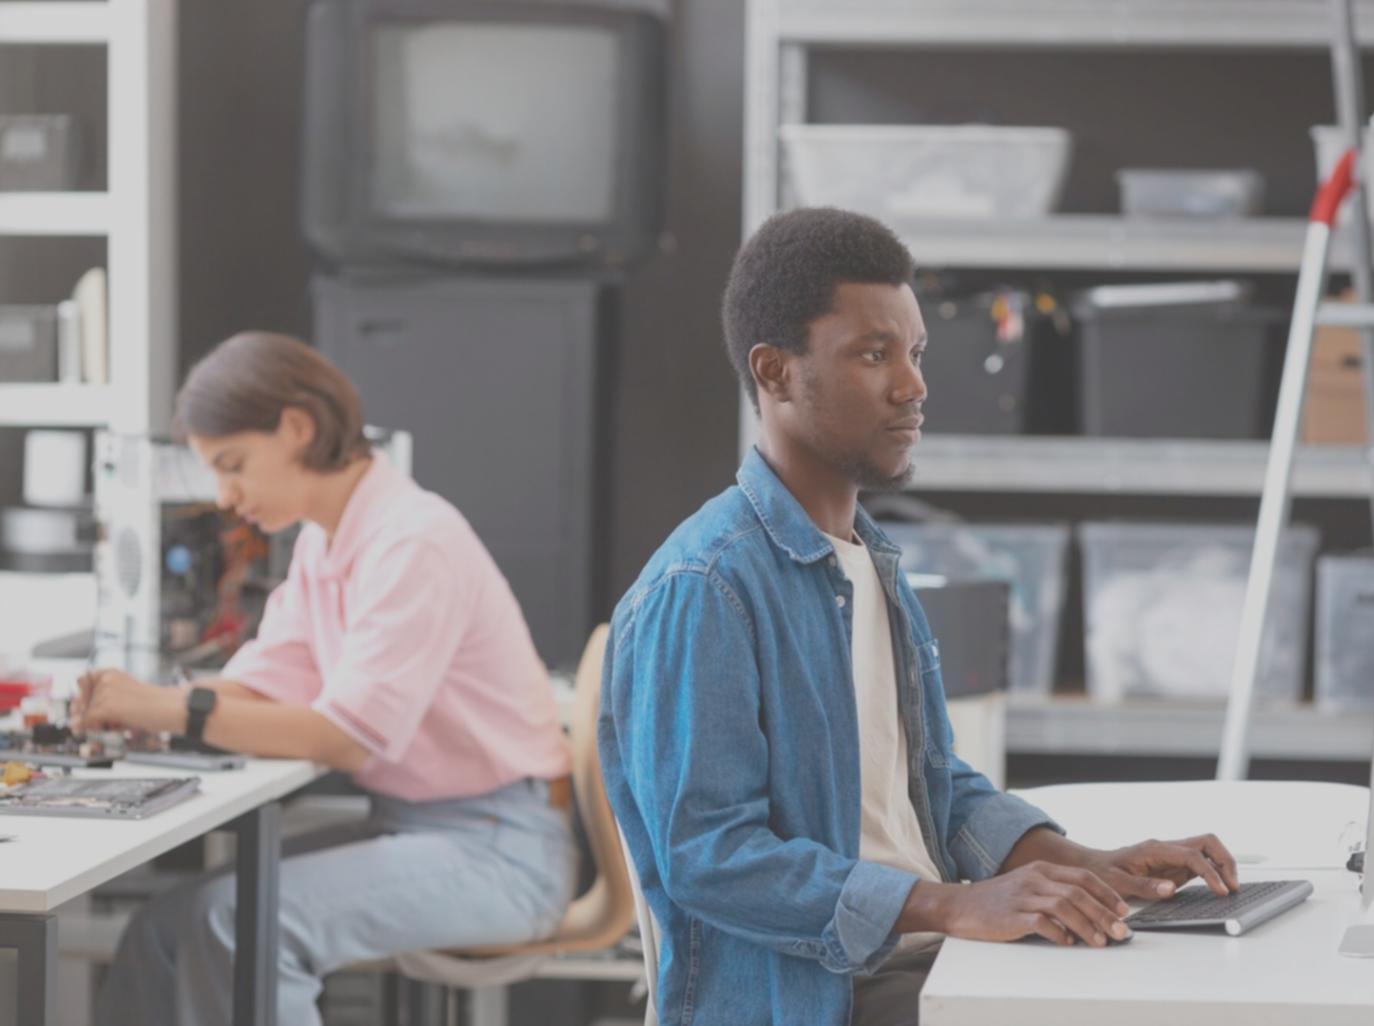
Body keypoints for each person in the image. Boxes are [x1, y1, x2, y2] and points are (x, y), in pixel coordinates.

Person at [598, 208, 1242, 1026]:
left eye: (916, 352)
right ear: (776, 372)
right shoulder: (703, 587)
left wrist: (1087, 866)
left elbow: (929, 787)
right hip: (824, 998)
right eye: (874, 354)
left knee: (1183, 980)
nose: (914, 385)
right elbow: (712, 858)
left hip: (922, 962)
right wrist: (951, 905)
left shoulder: (869, 561)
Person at [75, 331, 576, 1026]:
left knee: (236, 925)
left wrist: (172, 710)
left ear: (297, 428)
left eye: (233, 465)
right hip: (417, 826)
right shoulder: (324, 543)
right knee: (160, 932)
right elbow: (264, 683)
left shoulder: (413, 541)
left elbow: (345, 738)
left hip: (502, 850)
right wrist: (136, 704)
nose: (224, 496)